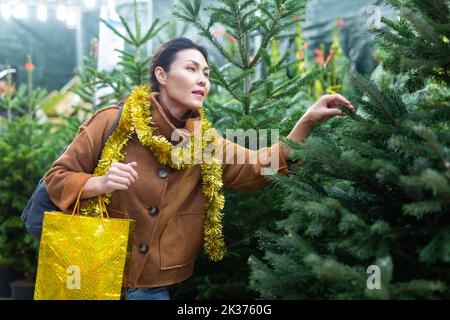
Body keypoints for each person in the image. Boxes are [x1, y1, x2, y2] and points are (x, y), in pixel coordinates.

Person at [44, 37, 355, 300]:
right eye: (191, 69)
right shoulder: (112, 121)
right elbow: (57, 177)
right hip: (92, 270)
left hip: (153, 286)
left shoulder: (205, 142)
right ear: (162, 75)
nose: (202, 79)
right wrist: (98, 184)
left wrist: (308, 121)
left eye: (206, 72)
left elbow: (261, 166)